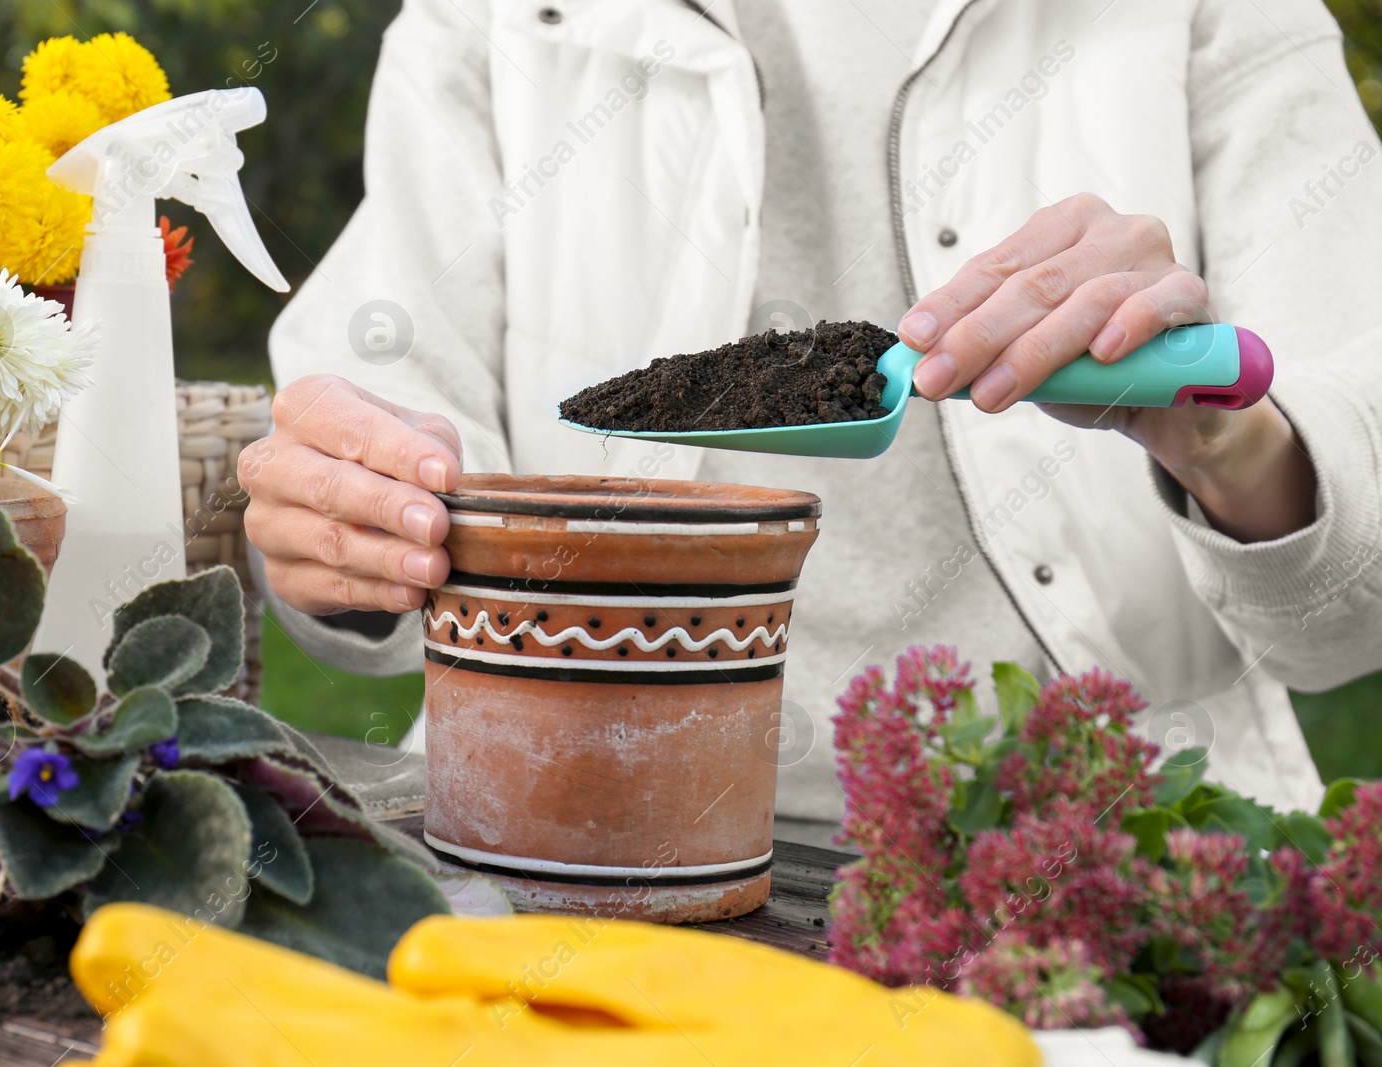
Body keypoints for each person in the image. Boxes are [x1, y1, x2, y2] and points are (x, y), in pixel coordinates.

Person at [238, 0, 1382, 824]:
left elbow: (1353, 601)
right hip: (576, 837)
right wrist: (356, 511)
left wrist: (1219, 434)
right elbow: (390, 409)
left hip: (1092, 847)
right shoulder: (490, 23)